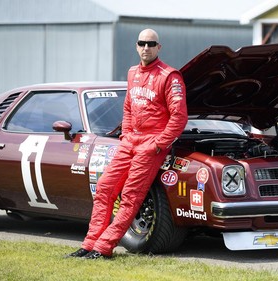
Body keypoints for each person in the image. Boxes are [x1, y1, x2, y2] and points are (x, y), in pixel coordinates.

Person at [66, 28, 188, 259]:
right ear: (136, 46)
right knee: (104, 187)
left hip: (151, 146)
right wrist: (126, 135)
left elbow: (179, 116)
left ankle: (103, 248)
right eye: (142, 43)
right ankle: (89, 244)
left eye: (151, 44)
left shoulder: (170, 76)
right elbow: (129, 107)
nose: (146, 48)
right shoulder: (132, 73)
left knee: (131, 196)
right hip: (129, 142)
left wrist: (157, 144)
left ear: (158, 47)